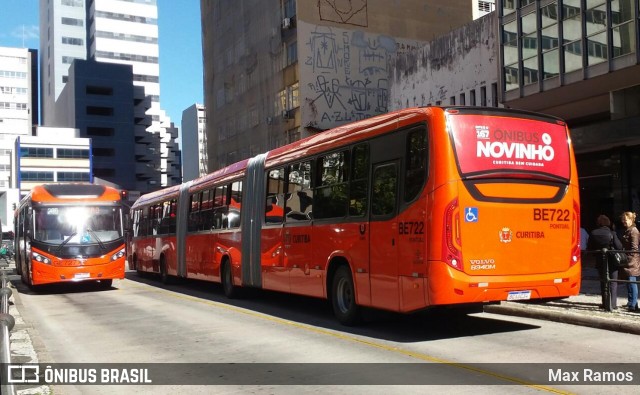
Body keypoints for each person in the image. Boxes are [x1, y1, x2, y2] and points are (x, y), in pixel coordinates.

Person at [588, 214, 621, 310]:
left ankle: (605, 303)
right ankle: (613, 304)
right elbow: (619, 247)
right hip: (612, 260)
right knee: (613, 282)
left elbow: (590, 248)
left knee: (603, 282)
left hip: (600, 261)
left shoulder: (593, 233)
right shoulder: (612, 233)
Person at [620, 212, 640, 312]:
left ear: (631, 220)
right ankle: (632, 302)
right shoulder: (628, 230)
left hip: (632, 262)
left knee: (632, 282)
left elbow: (634, 248)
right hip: (628, 260)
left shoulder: (634, 231)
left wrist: (627, 258)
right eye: (623, 219)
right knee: (629, 282)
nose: (623, 221)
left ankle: (633, 304)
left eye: (626, 219)